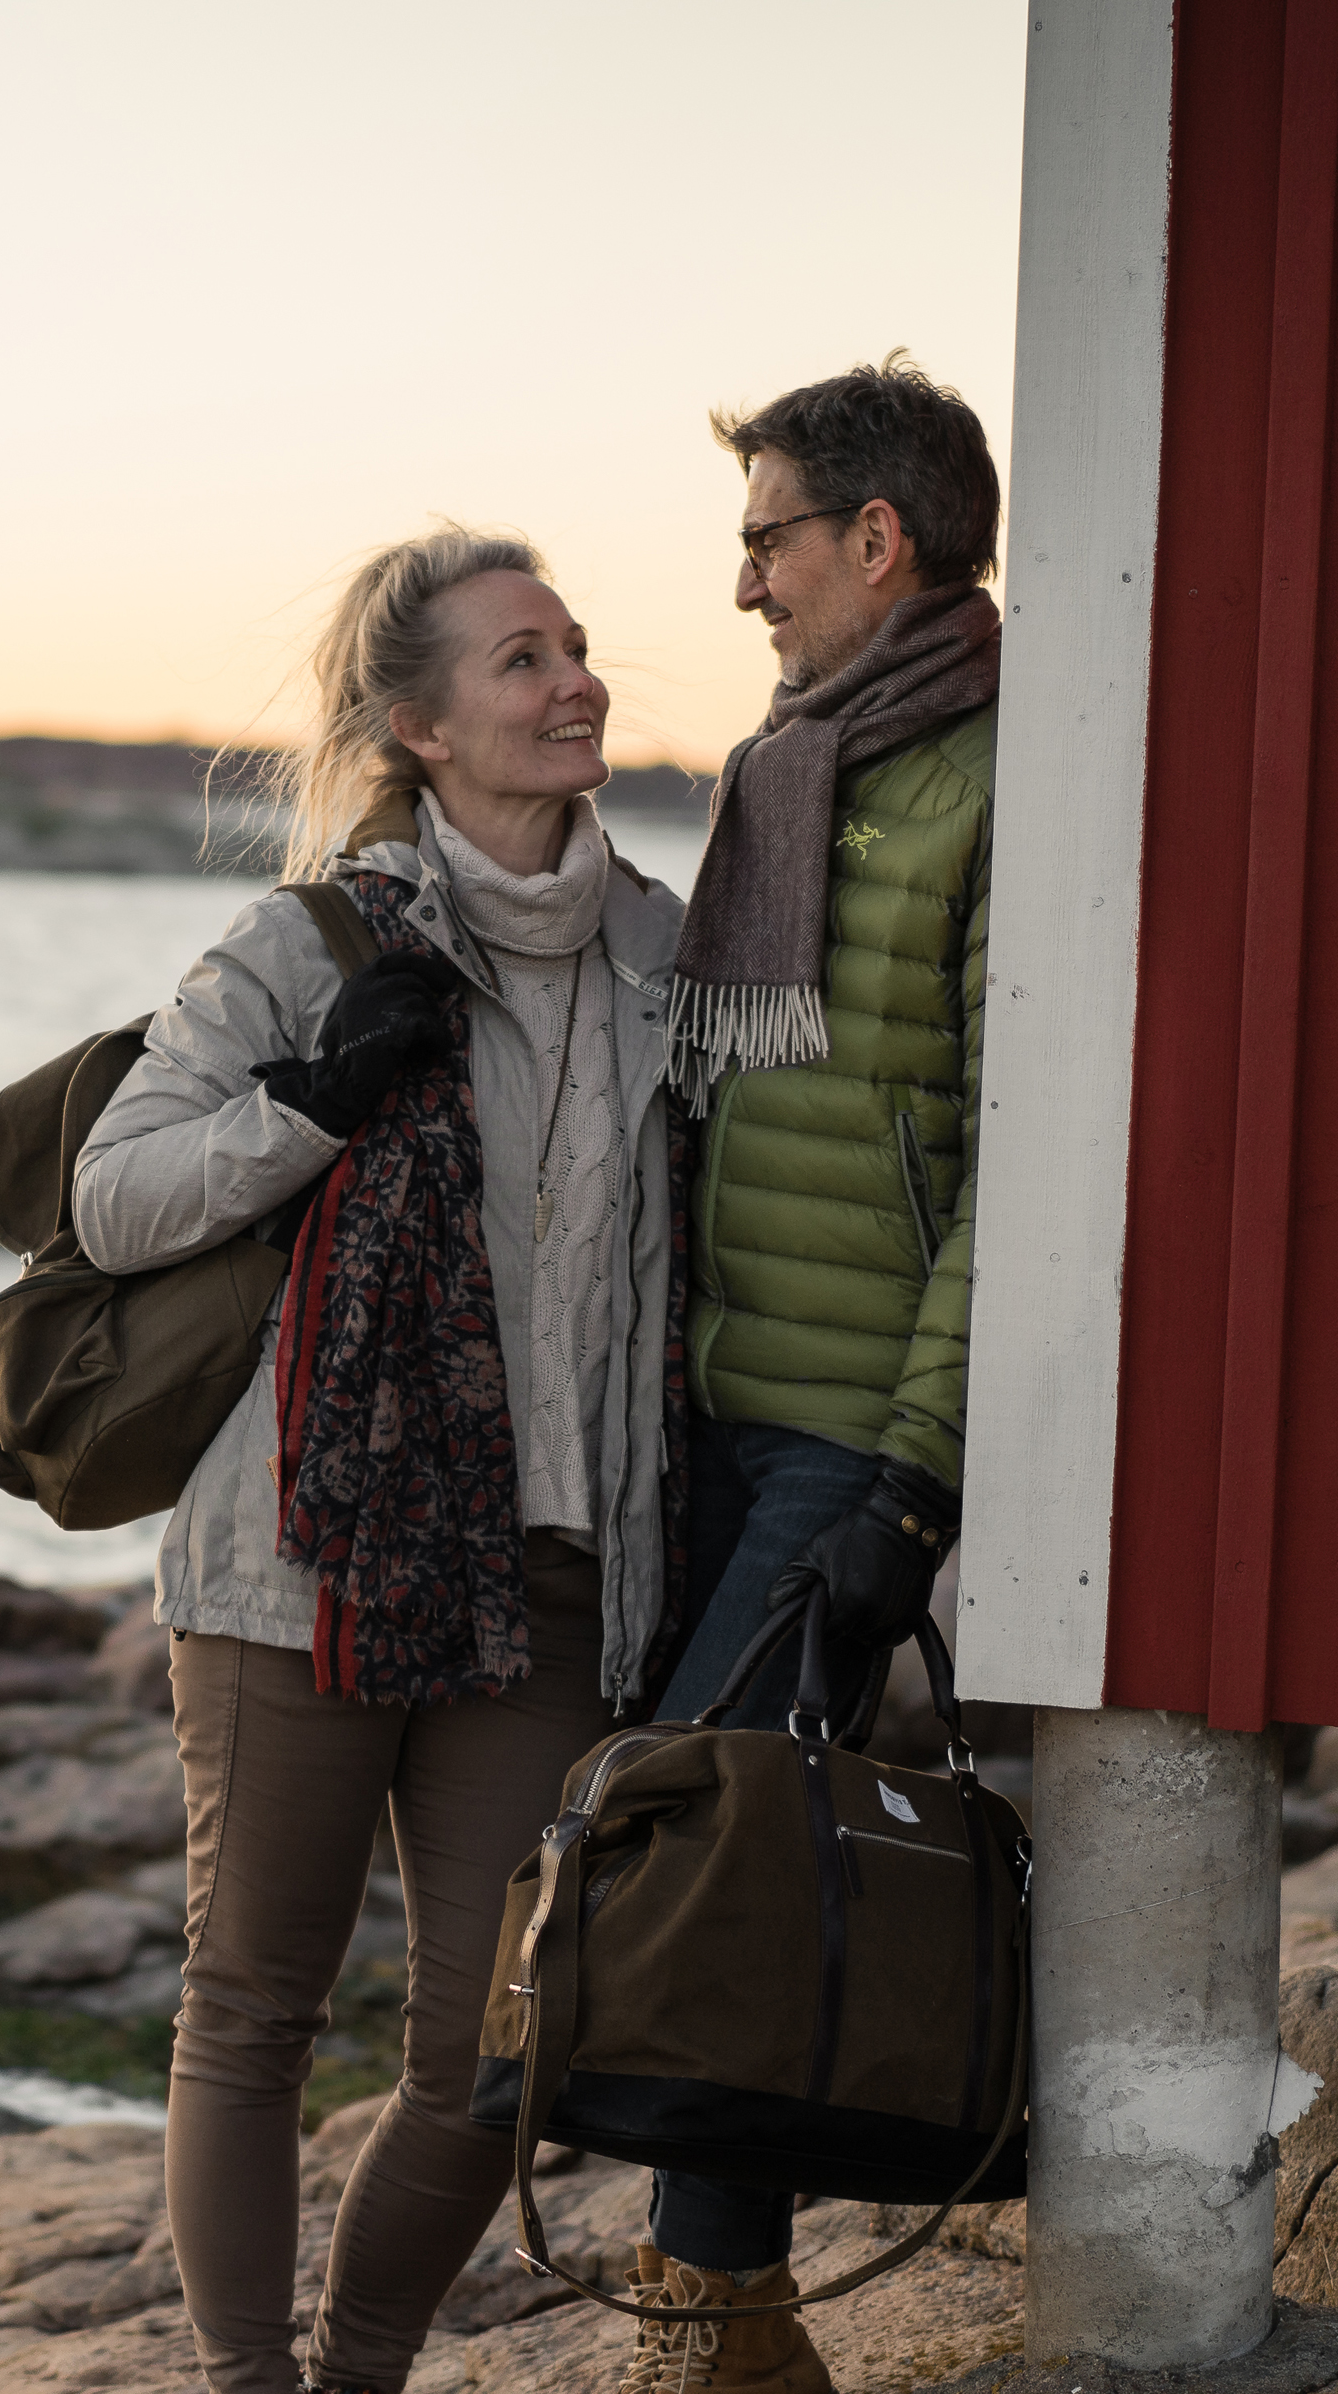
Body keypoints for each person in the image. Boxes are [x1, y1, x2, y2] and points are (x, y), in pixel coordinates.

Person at [75, 527, 689, 2394]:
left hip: (559, 1566)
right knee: (253, 2006)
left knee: (500, 2050)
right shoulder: (308, 944)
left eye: (576, 647)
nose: (574, 680)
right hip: (303, 1563)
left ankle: (357, 2373)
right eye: (522, 660)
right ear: (419, 725)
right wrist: (317, 1097)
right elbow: (113, 1198)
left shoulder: (670, 951)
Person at [608, 356, 1004, 2393]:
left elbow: (1011, 1166)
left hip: (850, 1429)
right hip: (724, 1404)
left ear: (876, 537)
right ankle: (734, 2322)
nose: (742, 577)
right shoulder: (793, 765)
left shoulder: (997, 779)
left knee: (716, 1860)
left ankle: (704, 2326)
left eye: (767, 531)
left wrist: (908, 1485)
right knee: (714, 1842)